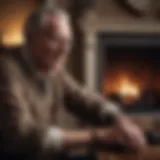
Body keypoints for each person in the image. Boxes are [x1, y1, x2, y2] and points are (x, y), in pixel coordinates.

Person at [0, 5, 146, 160]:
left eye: (67, 41)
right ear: (30, 36)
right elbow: (21, 135)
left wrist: (119, 119)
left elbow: (83, 98)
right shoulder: (6, 69)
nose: (65, 50)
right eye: (56, 39)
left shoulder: (51, 68)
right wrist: (98, 135)